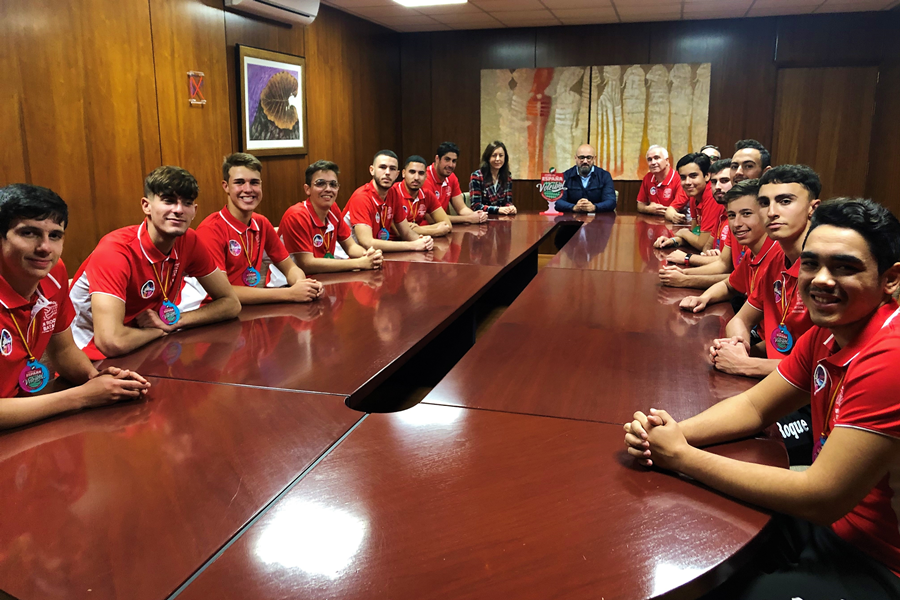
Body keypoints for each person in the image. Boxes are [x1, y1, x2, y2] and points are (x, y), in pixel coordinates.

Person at [625, 198, 900, 600]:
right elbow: (755, 407)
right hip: (835, 527)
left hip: (879, 560)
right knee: (694, 536)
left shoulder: (890, 356)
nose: (821, 279)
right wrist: (670, 433)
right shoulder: (827, 331)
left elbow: (821, 497)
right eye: (811, 264)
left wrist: (682, 457)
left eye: (845, 267)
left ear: (890, 279)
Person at [0, 184, 151, 427]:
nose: (45, 248)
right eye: (28, 233)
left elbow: (63, 351)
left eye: (55, 235)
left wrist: (97, 379)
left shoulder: (53, 272)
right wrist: (82, 397)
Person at [69, 166, 240, 359]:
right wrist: (160, 330)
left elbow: (231, 303)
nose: (178, 210)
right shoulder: (115, 250)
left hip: (146, 344)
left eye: (187, 203)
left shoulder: (189, 241)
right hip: (90, 356)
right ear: (146, 206)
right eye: (168, 201)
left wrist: (175, 322)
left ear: (194, 211)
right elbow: (111, 342)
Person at [711, 165, 821, 379]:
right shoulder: (778, 260)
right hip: (777, 378)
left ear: (813, 209)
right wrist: (738, 346)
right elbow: (740, 320)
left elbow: (821, 369)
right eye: (764, 203)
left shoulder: (826, 270)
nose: (771, 212)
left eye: (785, 201)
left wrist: (746, 364)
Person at [181, 153, 323, 310]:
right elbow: (222, 293)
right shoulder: (210, 229)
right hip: (213, 314)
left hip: (251, 310)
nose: (248, 189)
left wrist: (303, 286)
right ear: (225, 186)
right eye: (239, 182)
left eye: (254, 182)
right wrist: (290, 294)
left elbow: (290, 267)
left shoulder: (261, 222)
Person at [679, 179, 780, 313]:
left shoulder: (779, 255)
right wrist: (704, 298)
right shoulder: (752, 253)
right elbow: (729, 286)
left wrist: (685, 277)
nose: (736, 223)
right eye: (732, 215)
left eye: (746, 214)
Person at [279, 160, 383, 275]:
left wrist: (369, 256)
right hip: (286, 283)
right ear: (307, 189)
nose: (328, 189)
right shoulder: (296, 215)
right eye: (320, 183)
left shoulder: (333, 208)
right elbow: (307, 264)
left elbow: (351, 246)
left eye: (333, 184)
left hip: (324, 277)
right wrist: (360, 263)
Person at [657, 160, 735, 282]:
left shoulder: (732, 213)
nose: (718, 186)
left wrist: (687, 262)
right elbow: (706, 247)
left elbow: (729, 266)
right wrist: (674, 240)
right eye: (714, 182)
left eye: (724, 181)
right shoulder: (722, 210)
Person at [342, 151, 434, 253]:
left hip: (373, 255)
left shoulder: (393, 193)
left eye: (392, 169)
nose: (387, 172)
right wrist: (413, 245)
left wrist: (423, 241)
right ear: (372, 170)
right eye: (382, 167)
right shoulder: (361, 197)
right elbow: (367, 242)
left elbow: (406, 232)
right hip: (346, 257)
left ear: (397, 174)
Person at [660, 153, 723, 251]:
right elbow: (695, 234)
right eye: (683, 177)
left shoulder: (712, 195)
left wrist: (683, 232)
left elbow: (703, 244)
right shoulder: (694, 195)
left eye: (693, 176)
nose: (687, 182)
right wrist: (673, 241)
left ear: (707, 176)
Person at [422, 142, 488, 225]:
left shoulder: (451, 177)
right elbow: (431, 219)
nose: (450, 165)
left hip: (444, 227)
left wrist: (478, 216)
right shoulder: (425, 178)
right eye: (447, 159)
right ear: (437, 159)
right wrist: (467, 218)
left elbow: (461, 208)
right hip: (426, 230)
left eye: (454, 161)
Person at [391, 156, 452, 237]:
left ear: (426, 176)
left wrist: (418, 229)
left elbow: (447, 225)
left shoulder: (427, 194)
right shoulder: (392, 193)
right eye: (412, 172)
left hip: (418, 242)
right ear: (403, 173)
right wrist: (436, 231)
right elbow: (400, 232)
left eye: (421, 173)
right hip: (393, 243)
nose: (416, 177)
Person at [556, 143, 616, 213]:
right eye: (581, 157)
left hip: (598, 220)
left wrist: (594, 207)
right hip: (571, 220)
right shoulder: (565, 176)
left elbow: (611, 201)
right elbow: (558, 201)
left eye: (588, 158)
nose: (585, 161)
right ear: (575, 158)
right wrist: (573, 207)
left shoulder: (604, 176)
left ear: (594, 158)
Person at [636, 145, 689, 216]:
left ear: (667, 161)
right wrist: (648, 209)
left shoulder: (679, 178)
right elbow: (640, 205)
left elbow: (676, 208)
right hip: (652, 221)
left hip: (675, 221)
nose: (653, 162)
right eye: (649, 159)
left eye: (657, 158)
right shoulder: (648, 177)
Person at [469, 141, 516, 215]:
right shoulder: (477, 176)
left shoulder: (507, 176)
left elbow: (507, 201)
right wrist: (497, 209)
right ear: (488, 157)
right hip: (482, 219)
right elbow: (476, 206)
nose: (497, 159)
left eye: (501, 155)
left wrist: (510, 207)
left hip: (502, 220)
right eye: (494, 155)